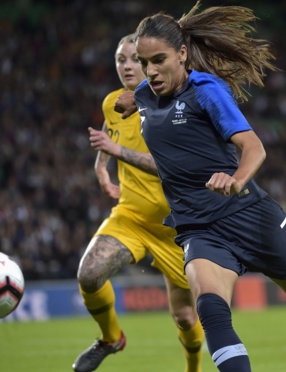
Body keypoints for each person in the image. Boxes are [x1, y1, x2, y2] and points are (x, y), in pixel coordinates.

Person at [89, 3, 286, 371]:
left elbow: (253, 147)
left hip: (249, 213)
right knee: (211, 309)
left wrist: (235, 179)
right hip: (198, 227)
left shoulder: (206, 90)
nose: (150, 71)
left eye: (158, 60)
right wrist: (128, 106)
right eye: (143, 61)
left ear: (182, 54)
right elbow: (138, 103)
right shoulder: (146, 94)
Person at [73, 34, 204, 372]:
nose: (127, 66)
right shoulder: (112, 102)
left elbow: (173, 167)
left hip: (175, 230)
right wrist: (102, 168)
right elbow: (110, 130)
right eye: (120, 59)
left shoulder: (171, 106)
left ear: (150, 63)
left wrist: (117, 154)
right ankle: (111, 338)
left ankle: (194, 368)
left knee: (186, 317)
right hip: (130, 217)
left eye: (135, 59)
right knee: (89, 275)